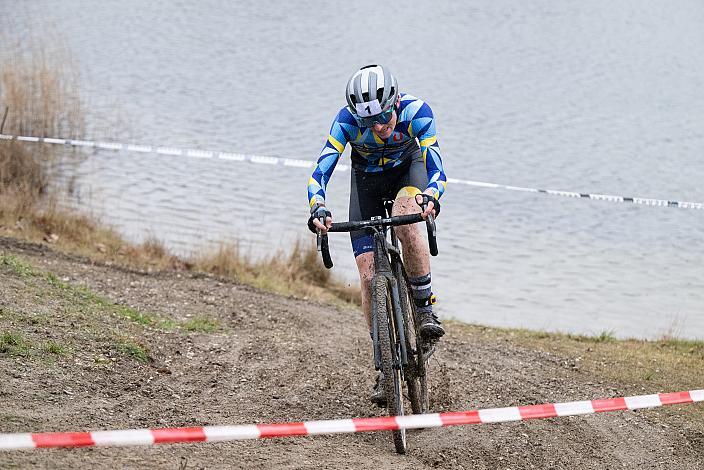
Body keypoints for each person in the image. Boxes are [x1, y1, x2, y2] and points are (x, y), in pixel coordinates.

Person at [307, 64, 447, 405]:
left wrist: (431, 195)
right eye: (371, 123)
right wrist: (318, 207)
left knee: (403, 216)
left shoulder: (417, 111)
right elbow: (319, 171)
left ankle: (425, 308)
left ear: (395, 102)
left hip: (407, 173)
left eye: (384, 117)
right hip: (366, 182)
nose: (381, 127)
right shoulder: (346, 121)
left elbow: (436, 166)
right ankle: (385, 364)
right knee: (368, 276)